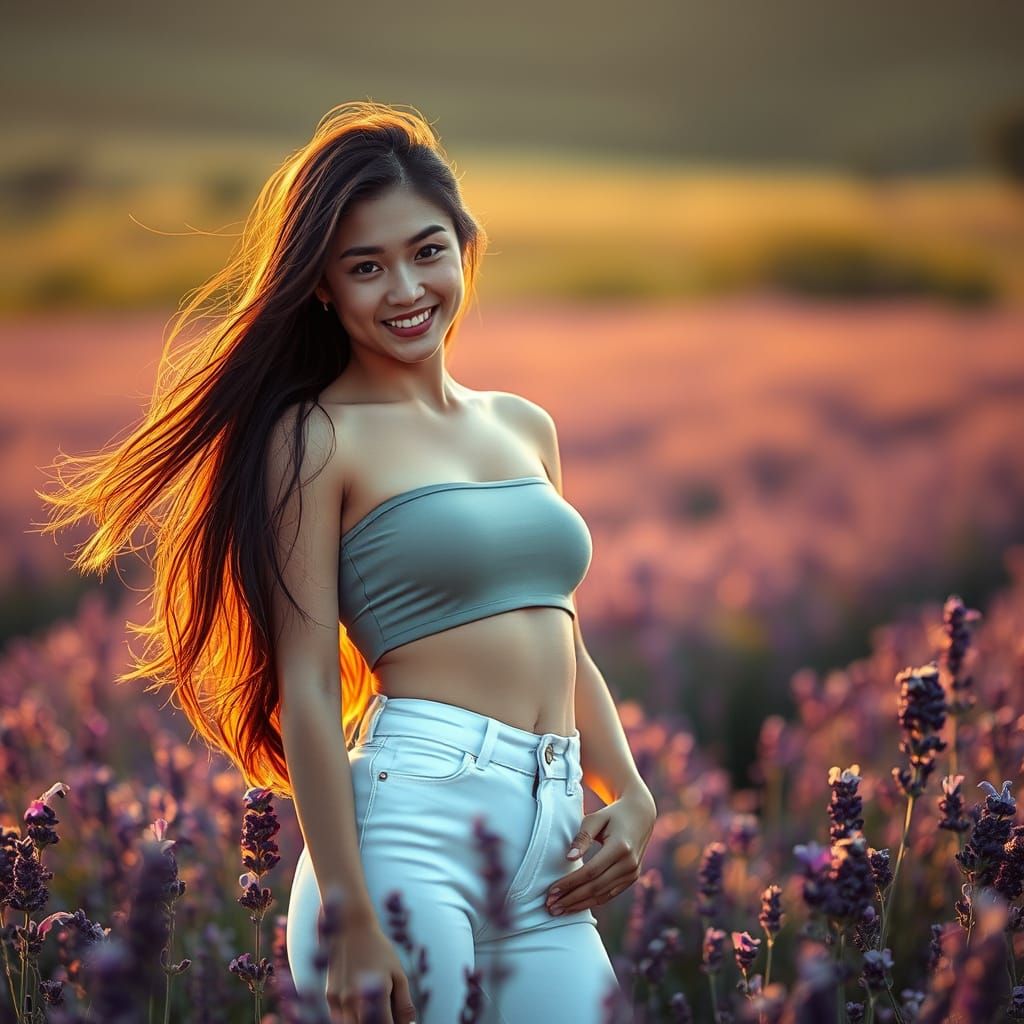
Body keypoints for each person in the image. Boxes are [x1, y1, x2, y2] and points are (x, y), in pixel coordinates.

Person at [37, 101, 657, 1024]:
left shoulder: (524, 425)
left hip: (549, 840)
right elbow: (309, 689)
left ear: (465, 247)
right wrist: (353, 914)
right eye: (365, 267)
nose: (405, 288)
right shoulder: (317, 439)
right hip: (409, 831)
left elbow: (558, 632)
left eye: (427, 250)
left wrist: (631, 790)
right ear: (322, 286)